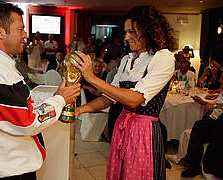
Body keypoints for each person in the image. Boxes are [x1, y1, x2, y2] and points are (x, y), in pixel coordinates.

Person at [0, 3, 80, 179]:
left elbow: (11, 108)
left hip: (2, 157)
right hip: (12, 166)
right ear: (0, 32)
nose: (25, 35)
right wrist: (60, 100)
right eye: (20, 29)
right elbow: (27, 122)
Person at [72, 6, 175, 180]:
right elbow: (109, 98)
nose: (126, 37)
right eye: (125, 32)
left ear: (147, 30)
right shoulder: (128, 59)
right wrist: (79, 110)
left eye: (131, 32)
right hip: (123, 125)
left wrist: (91, 78)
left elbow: (135, 99)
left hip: (144, 132)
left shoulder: (163, 57)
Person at [180, 68, 223, 178]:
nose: (220, 80)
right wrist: (204, 102)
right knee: (198, 128)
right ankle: (192, 163)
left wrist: (219, 106)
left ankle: (192, 164)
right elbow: (215, 104)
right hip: (212, 121)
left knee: (198, 129)